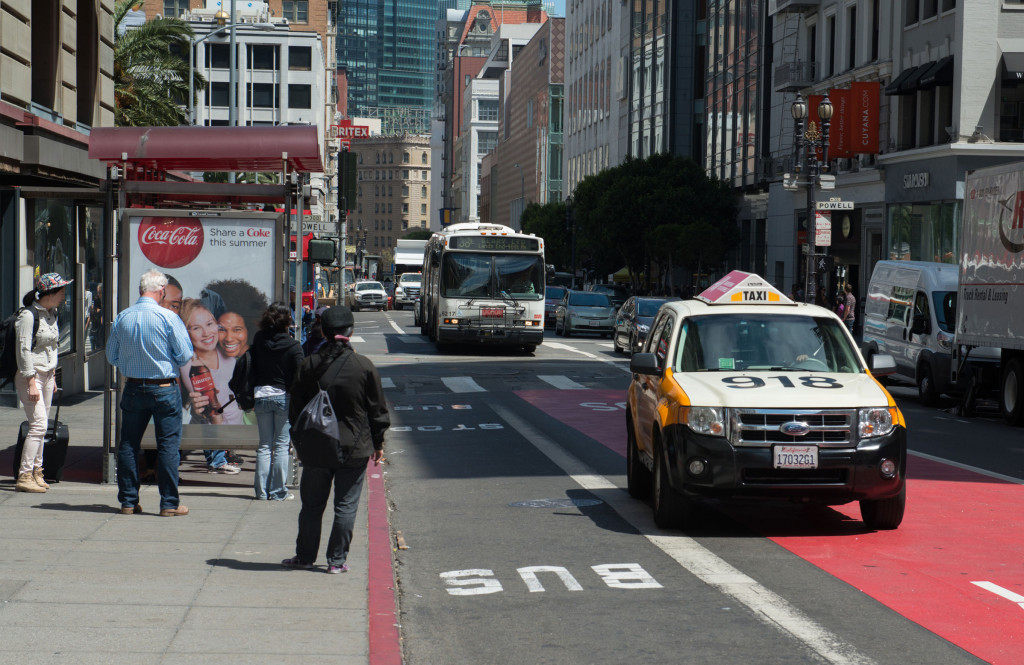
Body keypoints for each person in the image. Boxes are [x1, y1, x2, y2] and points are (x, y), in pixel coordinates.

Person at [283, 306, 389, 573]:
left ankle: (305, 557)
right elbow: (377, 410)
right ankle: (336, 561)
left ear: (324, 331)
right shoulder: (363, 366)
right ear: (351, 331)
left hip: (317, 447)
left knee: (311, 506)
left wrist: (299, 441)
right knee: (346, 506)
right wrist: (378, 443)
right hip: (354, 446)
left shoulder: (308, 364)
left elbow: (295, 408)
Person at [106, 269, 193, 516]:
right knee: (168, 446)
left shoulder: (124, 317)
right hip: (164, 387)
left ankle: (128, 501)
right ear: (162, 290)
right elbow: (185, 355)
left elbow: (112, 356)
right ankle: (168, 504)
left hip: (133, 386)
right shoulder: (167, 317)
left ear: (141, 290)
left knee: (129, 444)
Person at [13, 273, 71, 493]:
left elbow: (52, 347)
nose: (64, 295)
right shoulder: (28, 316)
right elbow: (23, 350)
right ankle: (25, 475)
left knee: (42, 425)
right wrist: (31, 382)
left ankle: (38, 472)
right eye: (61, 291)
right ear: (49, 293)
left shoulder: (52, 313)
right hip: (31, 375)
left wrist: (53, 376)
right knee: (37, 425)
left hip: (47, 375)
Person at [178, 298, 242, 473]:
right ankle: (217, 460)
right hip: (213, 426)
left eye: (210, 323)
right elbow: (209, 408)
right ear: (186, 332)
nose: (207, 333)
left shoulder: (228, 356)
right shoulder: (189, 363)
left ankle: (217, 458)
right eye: (196, 328)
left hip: (230, 429)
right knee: (207, 413)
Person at [249, 303, 304, 500]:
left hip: (261, 395)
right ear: (287, 322)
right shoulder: (293, 345)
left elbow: (252, 365)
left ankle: (261, 492)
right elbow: (300, 375)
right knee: (281, 445)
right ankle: (278, 490)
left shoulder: (259, 340)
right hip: (283, 397)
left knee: (264, 445)